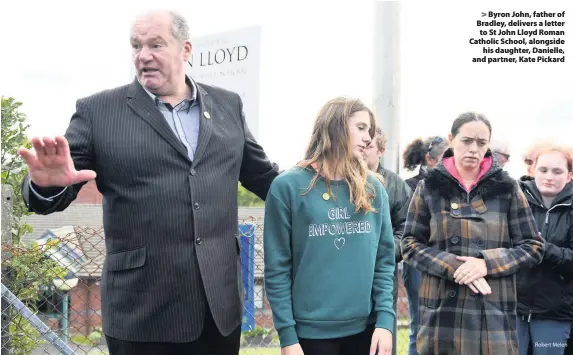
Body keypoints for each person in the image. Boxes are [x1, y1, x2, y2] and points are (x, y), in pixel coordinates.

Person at [17, 10, 279, 355]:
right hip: (141, 314)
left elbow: (266, 179)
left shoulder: (228, 105)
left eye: (156, 45)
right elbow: (54, 192)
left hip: (219, 310)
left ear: (185, 49)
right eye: (136, 46)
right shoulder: (98, 112)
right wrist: (47, 185)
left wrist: (325, 191)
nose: (143, 55)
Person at [401, 112, 544, 355]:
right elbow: (410, 244)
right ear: (452, 139)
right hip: (442, 312)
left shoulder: (507, 188)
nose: (473, 149)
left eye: (481, 143)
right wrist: (453, 265)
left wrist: (487, 264)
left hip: (492, 314)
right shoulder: (429, 187)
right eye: (466, 141)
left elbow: (533, 246)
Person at [264, 97, 395, 355]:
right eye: (360, 127)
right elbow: (277, 269)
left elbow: (384, 261)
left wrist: (386, 322)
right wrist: (288, 338)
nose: (368, 138)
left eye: (369, 130)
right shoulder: (288, 187)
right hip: (309, 335)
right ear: (334, 126)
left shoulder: (373, 189)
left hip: (366, 330)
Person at [516, 144, 573, 355]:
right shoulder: (515, 202)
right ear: (532, 171)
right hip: (513, 308)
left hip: (554, 312)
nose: (549, 176)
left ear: (569, 175)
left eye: (557, 171)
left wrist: (543, 249)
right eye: (543, 170)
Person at [363, 127, 412, 355]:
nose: (363, 149)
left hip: (382, 282)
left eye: (369, 145)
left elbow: (408, 231)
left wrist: (378, 251)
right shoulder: (338, 181)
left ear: (380, 150)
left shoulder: (396, 186)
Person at [400, 135, 449, 355]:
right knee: (419, 327)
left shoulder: (451, 188)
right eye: (445, 158)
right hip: (419, 263)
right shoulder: (410, 187)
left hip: (445, 262)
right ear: (429, 159)